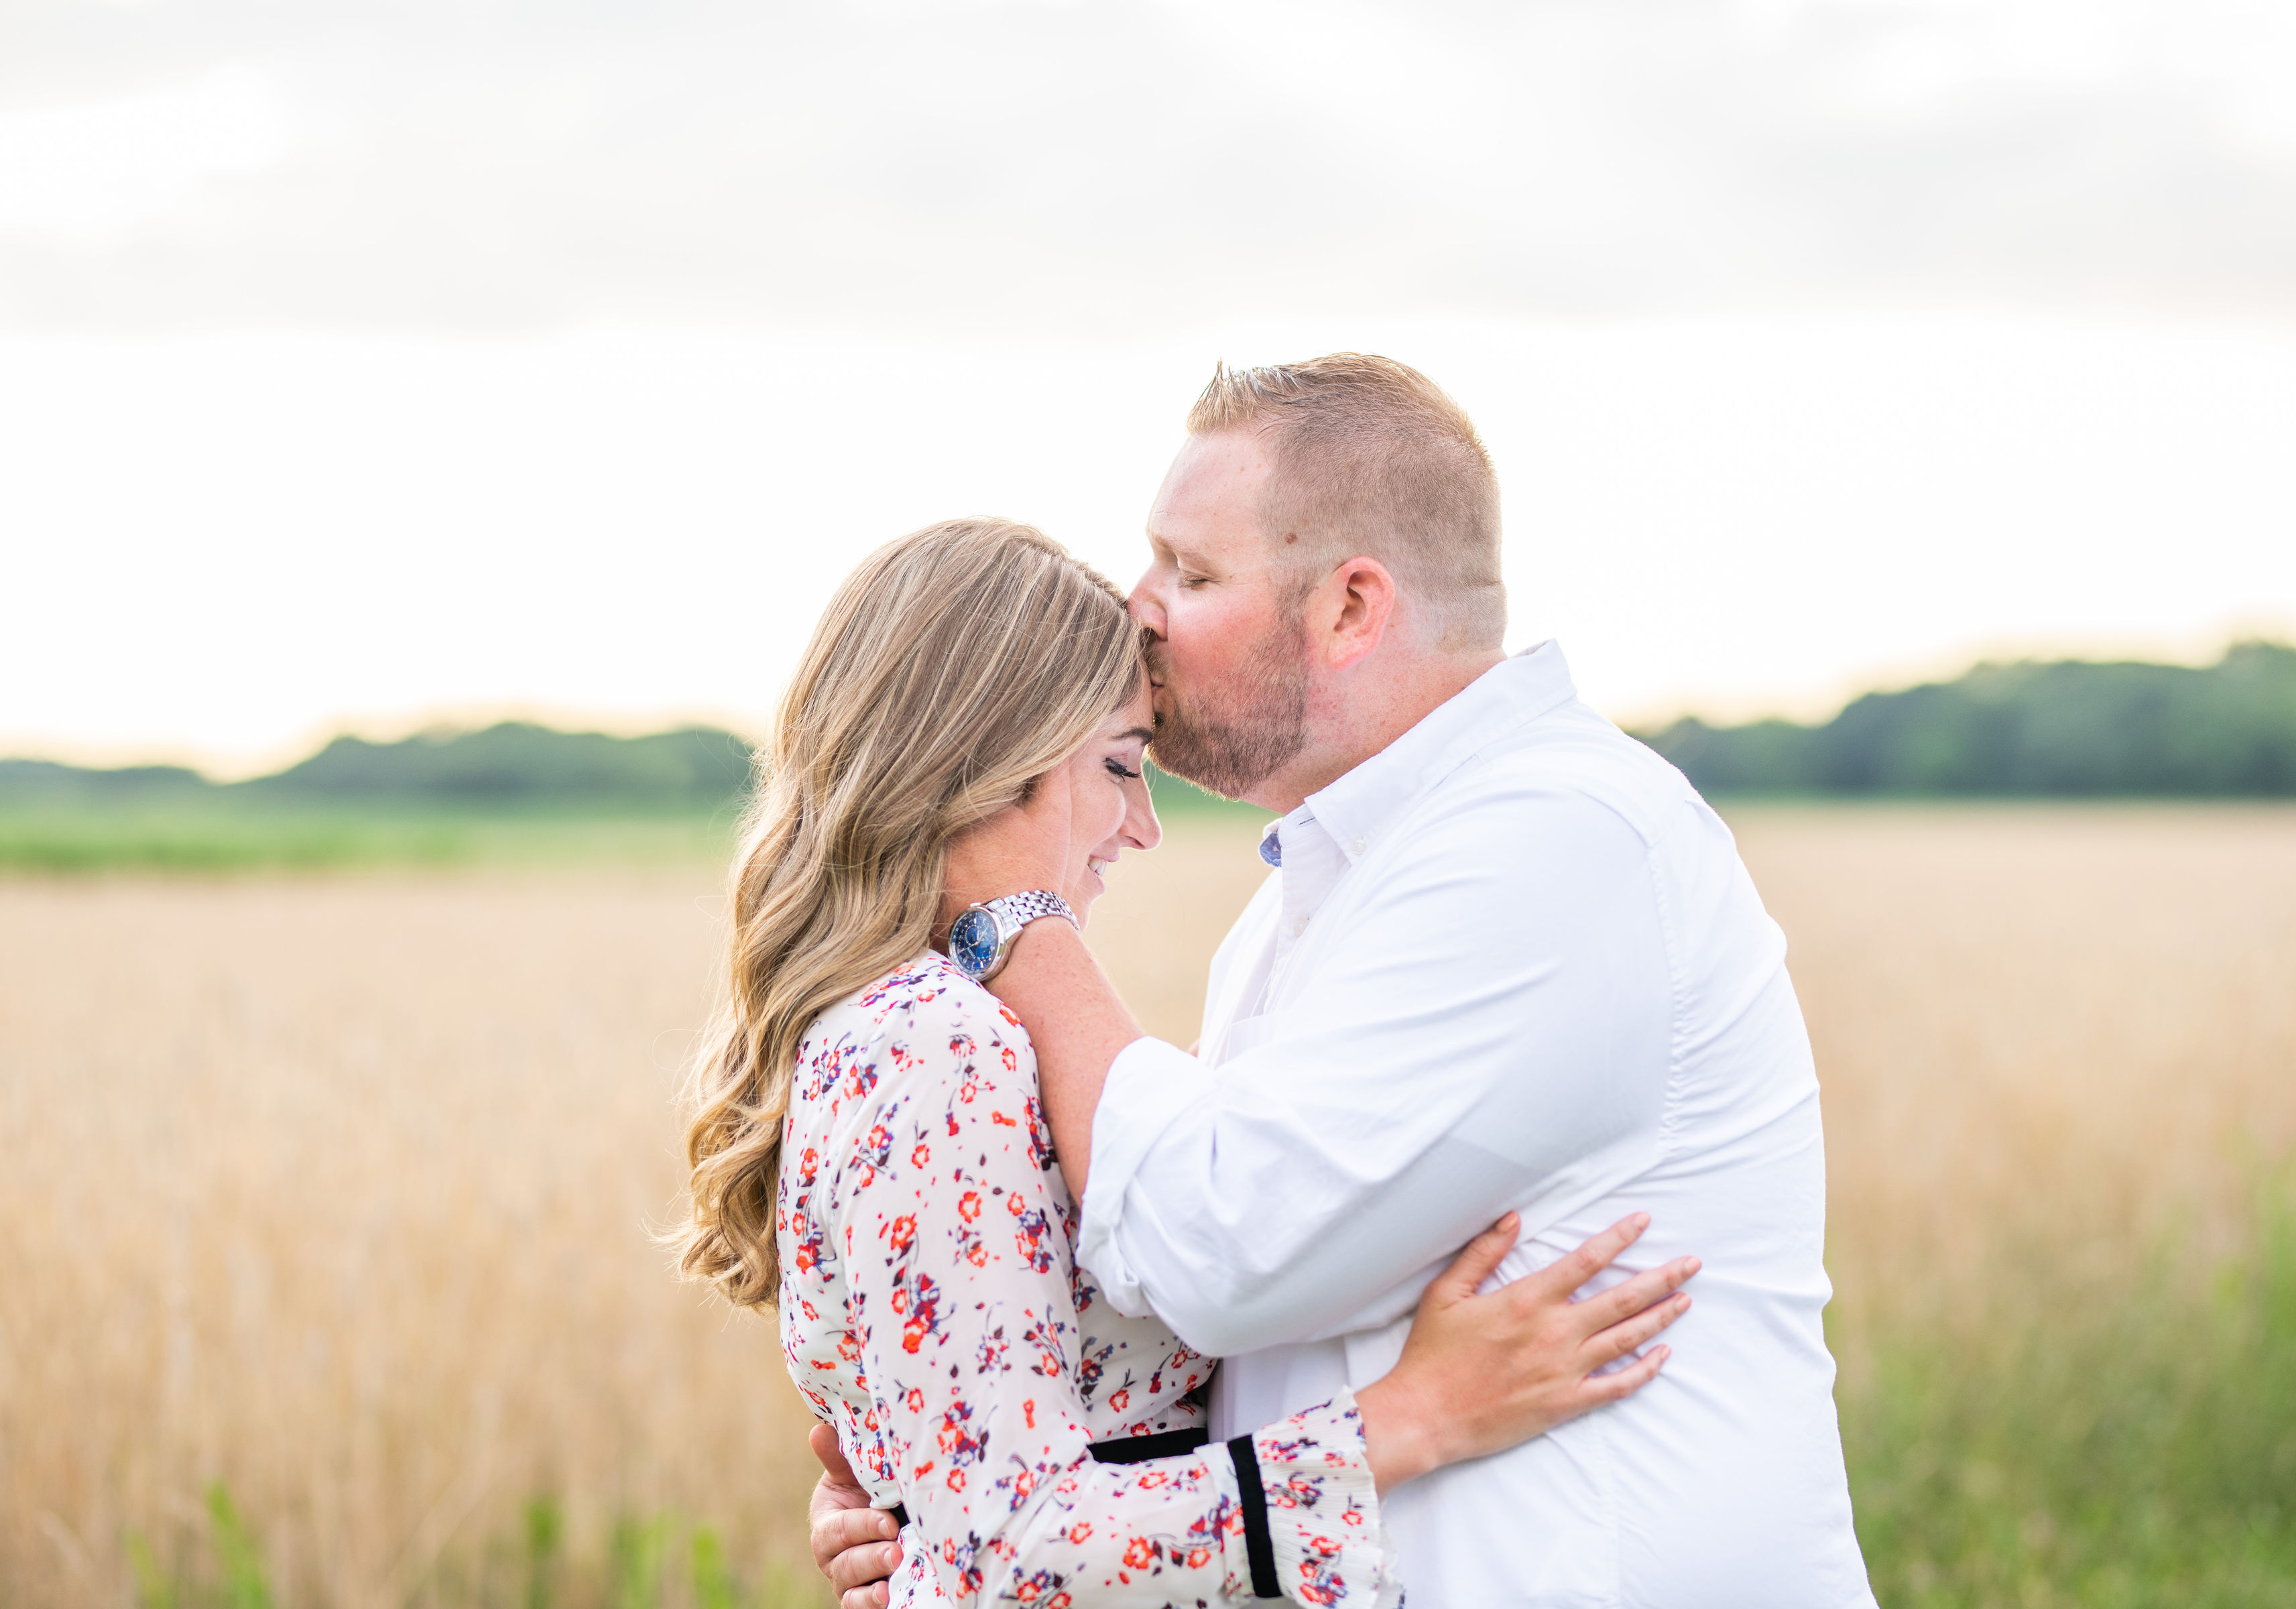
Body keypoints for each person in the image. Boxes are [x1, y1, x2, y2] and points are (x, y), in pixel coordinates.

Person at [817, 357, 1877, 1608]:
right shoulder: (1309, 900)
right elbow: (1223, 1325)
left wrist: (1014, 919)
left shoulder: (1559, 840)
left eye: (1192, 573)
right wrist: (946, 1487)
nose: (1138, 610)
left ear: (1350, 609)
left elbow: (1216, 1246)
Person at [670, 517, 1700, 1608]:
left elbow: (970, 1511)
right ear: (989, 765)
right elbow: (1015, 1549)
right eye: (1119, 765)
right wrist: (1421, 1415)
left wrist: (915, 1526)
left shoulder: (921, 1027)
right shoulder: (936, 1041)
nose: (1143, 825)